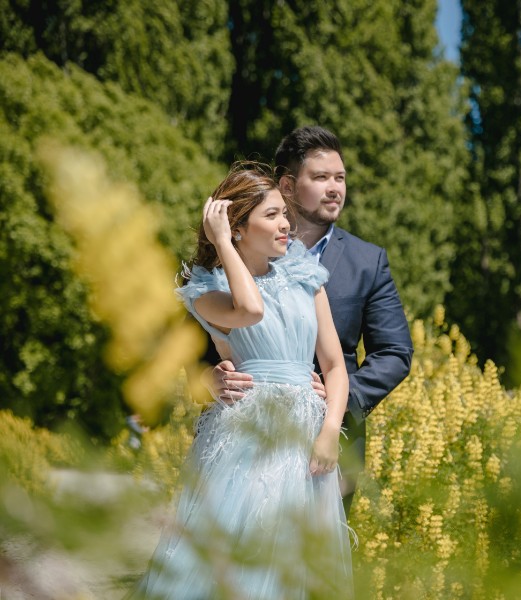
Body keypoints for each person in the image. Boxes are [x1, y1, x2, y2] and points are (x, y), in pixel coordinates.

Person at [132, 163, 352, 599]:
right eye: (271, 215)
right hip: (247, 437)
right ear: (237, 228)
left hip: (306, 435)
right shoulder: (206, 294)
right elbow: (251, 310)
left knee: (296, 561)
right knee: (240, 555)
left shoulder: (308, 280)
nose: (286, 223)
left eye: (284, 213)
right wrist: (220, 242)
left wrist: (329, 431)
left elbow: (335, 366)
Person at [206, 126, 414, 512]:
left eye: (340, 177)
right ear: (287, 184)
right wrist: (207, 378)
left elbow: (395, 353)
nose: (335, 188)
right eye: (320, 178)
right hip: (244, 440)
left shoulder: (368, 262)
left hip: (329, 450)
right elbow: (196, 344)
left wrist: (337, 401)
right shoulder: (233, 257)